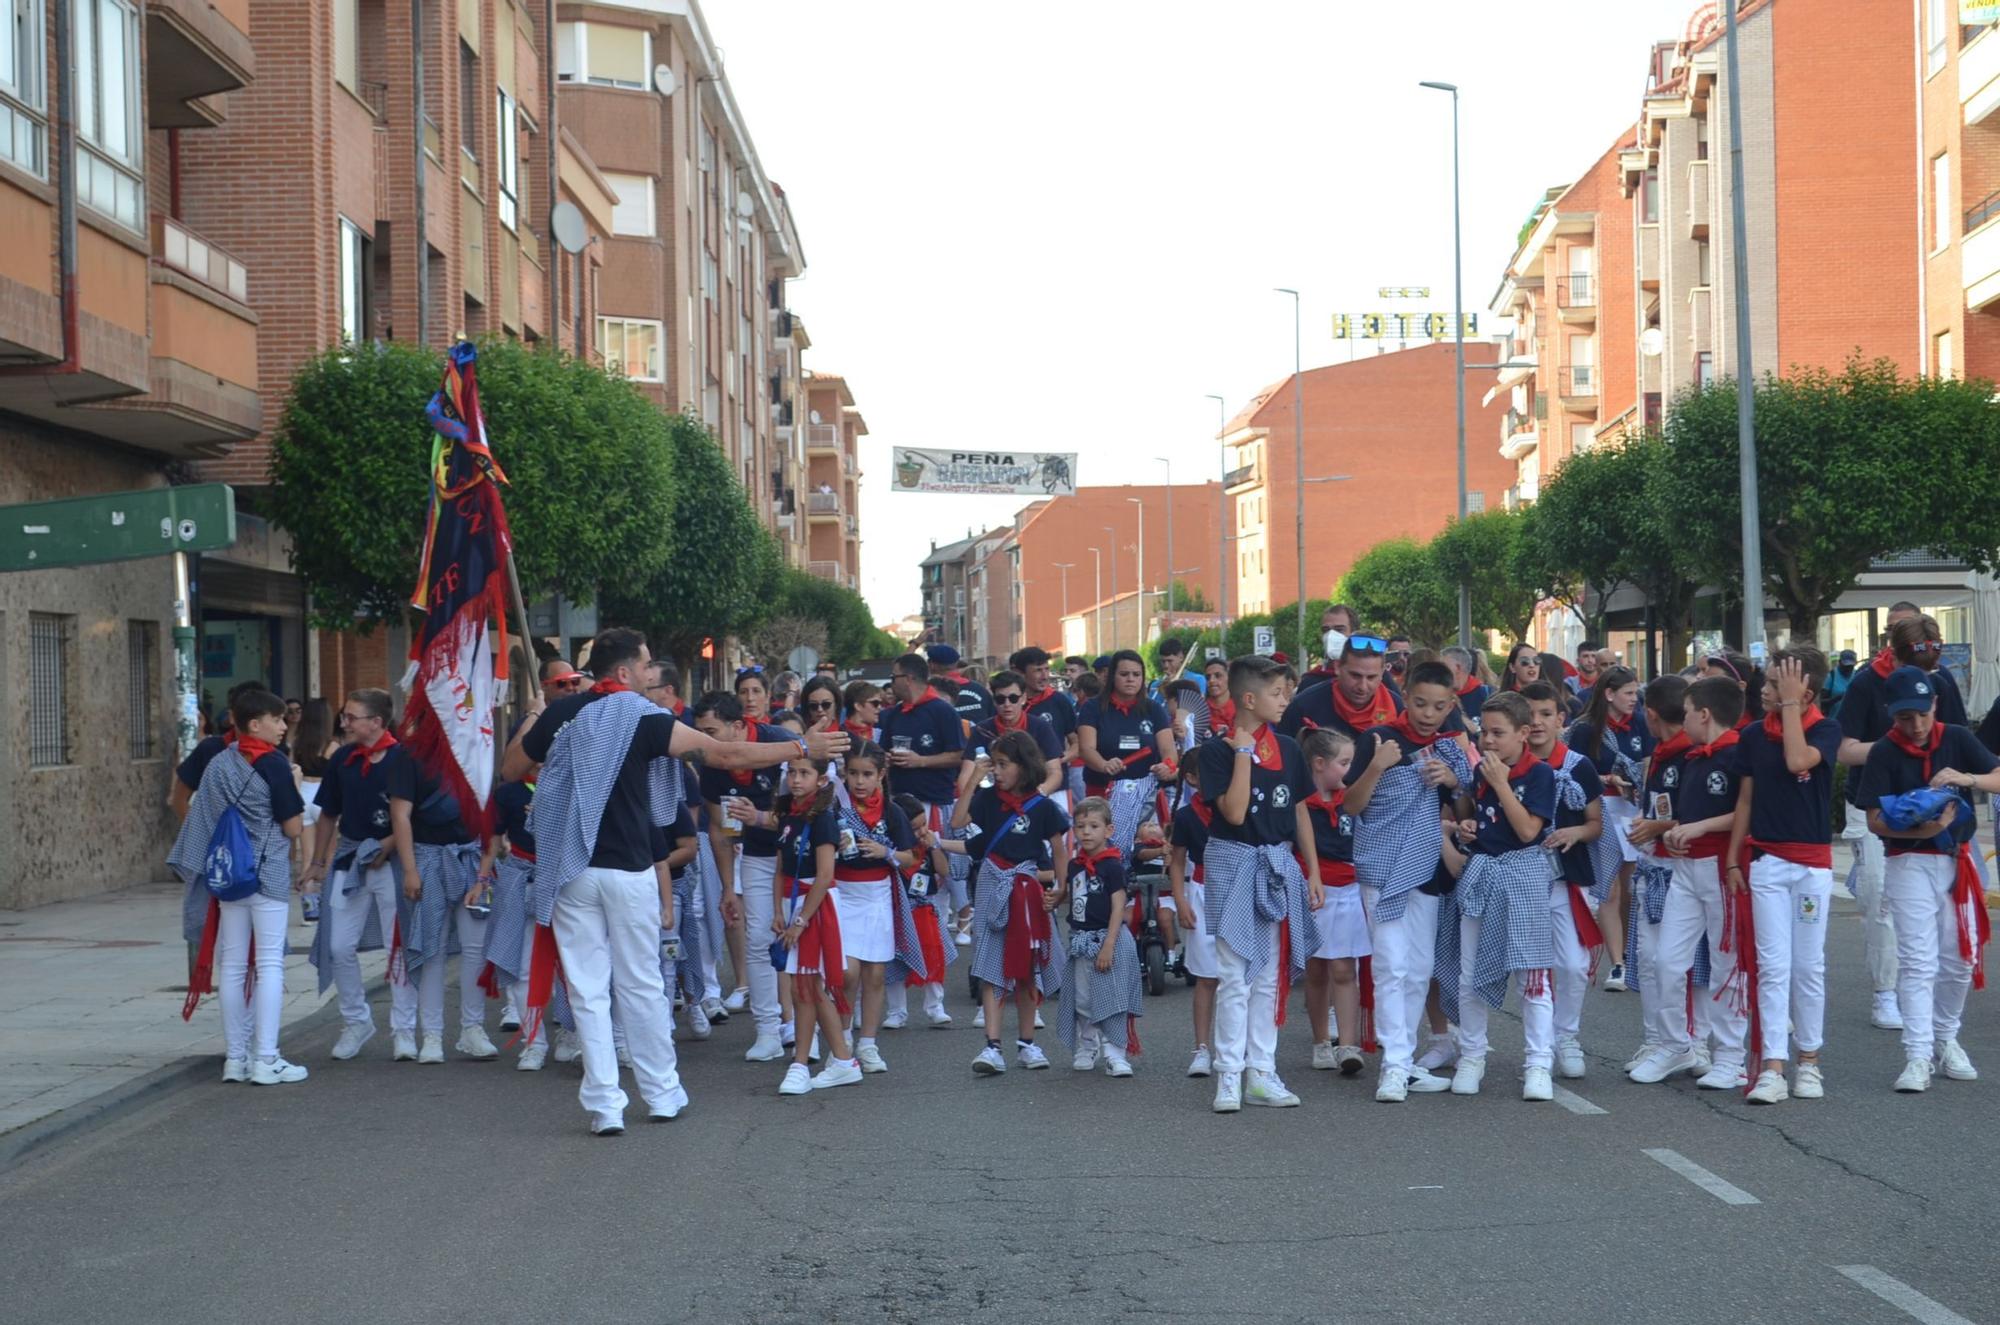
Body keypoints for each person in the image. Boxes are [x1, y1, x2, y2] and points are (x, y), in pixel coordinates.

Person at [502, 627, 848, 1134]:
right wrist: (800, 745)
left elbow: (512, 767)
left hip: (571, 868)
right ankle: (661, 1093)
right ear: (623, 672)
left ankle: (604, 1107)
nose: (652, 674)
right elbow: (722, 754)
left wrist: (537, 713)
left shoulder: (563, 713)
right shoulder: (645, 717)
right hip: (630, 868)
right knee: (640, 984)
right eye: (645, 666)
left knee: (588, 990)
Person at [1853, 666, 2000, 1093]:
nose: (1915, 726)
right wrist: (1921, 830)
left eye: (1921, 714)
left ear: (1934, 704)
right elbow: (1875, 820)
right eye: (1904, 718)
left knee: (1960, 959)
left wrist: (1966, 778)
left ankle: (1945, 1036)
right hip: (1909, 861)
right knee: (1918, 960)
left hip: (1958, 861)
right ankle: (1917, 1054)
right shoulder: (1883, 751)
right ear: (1891, 715)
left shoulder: (1955, 737)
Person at [1196, 655, 1324, 1112]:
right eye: (1276, 693)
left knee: (1270, 977)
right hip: (1234, 863)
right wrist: (1244, 753)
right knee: (1235, 975)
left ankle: (1261, 1071)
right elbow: (1231, 812)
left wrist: (1311, 869)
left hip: (1276, 864)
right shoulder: (1216, 750)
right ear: (1248, 699)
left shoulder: (1289, 748)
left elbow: (1301, 809)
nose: (1285, 700)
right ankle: (1229, 1073)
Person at [1342, 660, 1473, 1102]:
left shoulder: (1449, 749)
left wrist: (1453, 781)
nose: (1427, 714)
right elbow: (1352, 805)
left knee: (1418, 969)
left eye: (1438, 706)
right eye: (1419, 703)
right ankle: (1394, 1065)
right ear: (1403, 692)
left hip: (1427, 869)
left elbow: (1466, 810)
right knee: (1390, 965)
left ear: (1451, 704)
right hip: (1382, 867)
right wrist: (1377, 767)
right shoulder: (1377, 739)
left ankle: (1404, 1059)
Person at [169, 688, 309, 1086]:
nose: (283, 726)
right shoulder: (276, 765)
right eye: (277, 719)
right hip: (267, 875)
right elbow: (293, 827)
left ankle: (236, 1058)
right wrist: (295, 785)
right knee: (267, 965)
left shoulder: (218, 763)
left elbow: (201, 815)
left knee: (231, 966)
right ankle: (266, 1058)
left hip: (228, 875)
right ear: (254, 724)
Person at [1838, 613, 1970, 1035]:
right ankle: (1885, 990)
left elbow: (1957, 738)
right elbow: (1843, 749)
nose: (1928, 680)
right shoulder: (1864, 684)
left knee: (1939, 913)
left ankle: (1925, 996)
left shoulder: (1942, 682)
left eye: (1931, 673)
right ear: (1894, 656)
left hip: (1931, 804)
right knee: (1881, 899)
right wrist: (1893, 748)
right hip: (1873, 802)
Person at [1727, 646, 1843, 1105]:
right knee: (1772, 966)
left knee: (1808, 966)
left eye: (1776, 683)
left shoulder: (1828, 729)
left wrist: (1792, 706)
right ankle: (1773, 1066)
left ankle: (1809, 1061)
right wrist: (1735, 858)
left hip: (1812, 866)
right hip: (1768, 864)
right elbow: (1745, 802)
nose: (1765, 689)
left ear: (1803, 691)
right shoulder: (1754, 736)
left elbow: (1798, 761)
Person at [1440, 691, 1560, 1102]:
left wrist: (1500, 784)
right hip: (1484, 872)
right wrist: (1470, 823)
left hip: (1523, 874)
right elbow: (1485, 817)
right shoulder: (1482, 774)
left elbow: (1528, 831)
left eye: (1498, 733)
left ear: (1523, 734)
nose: (1488, 741)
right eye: (1483, 733)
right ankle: (1473, 1054)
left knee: (1533, 973)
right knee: (1469, 972)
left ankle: (1539, 1062)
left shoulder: (1539, 774)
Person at [1645, 676, 1753, 1090]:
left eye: (1687, 712)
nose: (1682, 719)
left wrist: (1698, 827)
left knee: (1727, 965)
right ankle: (1677, 1044)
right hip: (1686, 872)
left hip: (1722, 869)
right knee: (1667, 960)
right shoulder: (1690, 759)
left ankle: (1731, 1056)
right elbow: (1683, 816)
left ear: (1704, 714)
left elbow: (1745, 812)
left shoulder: (1738, 755)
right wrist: (1675, 832)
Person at [301, 688, 419, 1061]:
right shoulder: (343, 760)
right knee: (338, 944)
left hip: (391, 862)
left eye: (352, 717)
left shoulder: (404, 758)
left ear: (377, 722)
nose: (344, 722)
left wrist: (388, 845)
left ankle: (404, 1029)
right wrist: (317, 862)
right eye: (344, 716)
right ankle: (357, 1021)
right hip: (350, 859)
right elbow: (327, 815)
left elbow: (413, 815)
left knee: (396, 945)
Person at [945, 730, 1072, 1074]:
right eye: (994, 765)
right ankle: (992, 1046)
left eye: (1003, 764)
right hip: (991, 883)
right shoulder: (988, 801)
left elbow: (1060, 849)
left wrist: (1060, 888)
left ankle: (1027, 1044)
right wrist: (974, 779)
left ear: (1024, 765)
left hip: (1028, 887)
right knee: (990, 965)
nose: (997, 771)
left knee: (1027, 965)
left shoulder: (1043, 806)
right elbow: (957, 823)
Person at [691, 691, 801, 1063]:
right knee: (757, 939)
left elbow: (807, 815)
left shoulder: (783, 746)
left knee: (800, 941)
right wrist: (727, 888)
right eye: (699, 732)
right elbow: (722, 831)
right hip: (755, 856)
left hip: (799, 860)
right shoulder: (710, 763)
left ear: (739, 726)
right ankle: (767, 1031)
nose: (703, 741)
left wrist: (761, 818)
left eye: (711, 731)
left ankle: (808, 1026)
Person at [1520, 680, 1606, 1082]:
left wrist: (1575, 833)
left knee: (1573, 964)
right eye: (1529, 715)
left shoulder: (1577, 766)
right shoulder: (1506, 762)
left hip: (1564, 880)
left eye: (1545, 714)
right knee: (1527, 969)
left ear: (1561, 720)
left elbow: (1595, 824)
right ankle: (1527, 1046)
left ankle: (1566, 1036)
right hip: (1519, 879)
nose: (1536, 723)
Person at [772, 757, 861, 1095]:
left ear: (821, 779)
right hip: (795, 903)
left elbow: (825, 876)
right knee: (801, 986)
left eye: (804, 773)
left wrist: (799, 920)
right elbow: (781, 868)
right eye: (792, 772)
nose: (796, 779)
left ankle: (816, 1062)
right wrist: (777, 911)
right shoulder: (788, 816)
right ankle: (837, 1060)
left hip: (816, 906)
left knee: (809, 985)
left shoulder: (823, 819)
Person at [831, 743, 921, 1074]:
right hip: (843, 892)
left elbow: (911, 856)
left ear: (881, 776)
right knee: (846, 972)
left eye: (867, 774)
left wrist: (886, 852)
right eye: (853, 773)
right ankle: (841, 1041)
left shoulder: (892, 811)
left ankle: (867, 1042)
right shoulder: (834, 808)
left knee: (875, 972)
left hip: (877, 895)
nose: (859, 781)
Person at [1567, 666, 1651, 993]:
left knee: (1631, 888)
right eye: (1629, 693)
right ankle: (1616, 963)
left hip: (1634, 810)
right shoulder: (1585, 729)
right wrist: (1606, 780)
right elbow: (1575, 774)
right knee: (1610, 889)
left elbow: (1647, 762)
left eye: (1636, 692)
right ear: (1609, 694)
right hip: (1601, 809)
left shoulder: (1641, 722)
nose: (1635, 699)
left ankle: (1630, 953)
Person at [880, 652, 971, 946]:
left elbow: (958, 755)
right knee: (902, 868)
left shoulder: (942, 711)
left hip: (933, 802)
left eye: (893, 677)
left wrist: (920, 761)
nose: (890, 683)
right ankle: (906, 934)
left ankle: (938, 936)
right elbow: (881, 756)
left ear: (908, 678)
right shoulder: (894, 714)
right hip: (899, 805)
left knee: (936, 870)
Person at [1055, 797, 1143, 1076]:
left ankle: (1116, 1052)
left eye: (1094, 826)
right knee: (1083, 998)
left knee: (1112, 996)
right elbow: (1074, 894)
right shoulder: (1075, 865)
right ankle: (1087, 1045)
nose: (1086, 832)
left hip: (1108, 938)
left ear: (1108, 830)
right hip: (1081, 938)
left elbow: (1118, 905)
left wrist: (1109, 945)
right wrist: (1056, 898)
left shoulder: (1113, 866)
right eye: (1080, 826)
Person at [1298, 727, 1367, 1076]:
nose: (1350, 770)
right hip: (1314, 893)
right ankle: (1321, 1041)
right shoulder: (1300, 805)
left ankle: (1349, 1044)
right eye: (1344, 763)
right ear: (1319, 764)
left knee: (1344, 967)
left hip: (1350, 891)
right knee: (1316, 969)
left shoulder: (1354, 799)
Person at [1077, 650, 1178, 859]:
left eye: (1136, 674)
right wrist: (1104, 764)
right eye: (1124, 674)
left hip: (1146, 797)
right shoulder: (1093, 708)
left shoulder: (1154, 709)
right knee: (1101, 851)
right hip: (1102, 792)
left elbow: (1169, 750)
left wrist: (1167, 765)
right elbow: (1086, 749)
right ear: (1112, 676)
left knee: (1148, 851)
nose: (1131, 679)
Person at [887, 791, 955, 1028]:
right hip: (898, 909)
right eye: (914, 828)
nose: (921, 832)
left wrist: (935, 847)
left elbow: (944, 871)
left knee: (933, 956)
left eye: (923, 824)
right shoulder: (894, 848)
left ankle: (935, 1006)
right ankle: (897, 1011)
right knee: (895, 959)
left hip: (925, 907)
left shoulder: (929, 844)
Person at [1168, 789, 1218, 1077]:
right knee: (1206, 977)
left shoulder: (1237, 806)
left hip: (1236, 889)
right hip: (1201, 890)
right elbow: (1177, 860)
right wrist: (1181, 900)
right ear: (1192, 779)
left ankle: (1239, 1045)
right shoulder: (1187, 815)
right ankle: (1201, 1048)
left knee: (1240, 977)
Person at [168, 679, 268, 822]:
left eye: (259, 717)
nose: (253, 724)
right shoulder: (211, 748)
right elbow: (180, 800)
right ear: (232, 717)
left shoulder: (275, 757)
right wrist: (203, 835)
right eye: (246, 715)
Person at [1277, 635, 1399, 740]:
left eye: (1371, 677)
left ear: (1383, 673)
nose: (1362, 686)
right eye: (1355, 675)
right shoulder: (1304, 707)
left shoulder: (1396, 707)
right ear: (1338, 667)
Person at [928, 643, 994, 726]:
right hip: (981, 737)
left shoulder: (930, 693)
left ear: (932, 665)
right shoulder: (980, 689)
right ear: (956, 663)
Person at [1443, 646, 1490, 727]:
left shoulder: (1488, 694)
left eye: (1443, 666)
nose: (1439, 671)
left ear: (1457, 668)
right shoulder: (1441, 697)